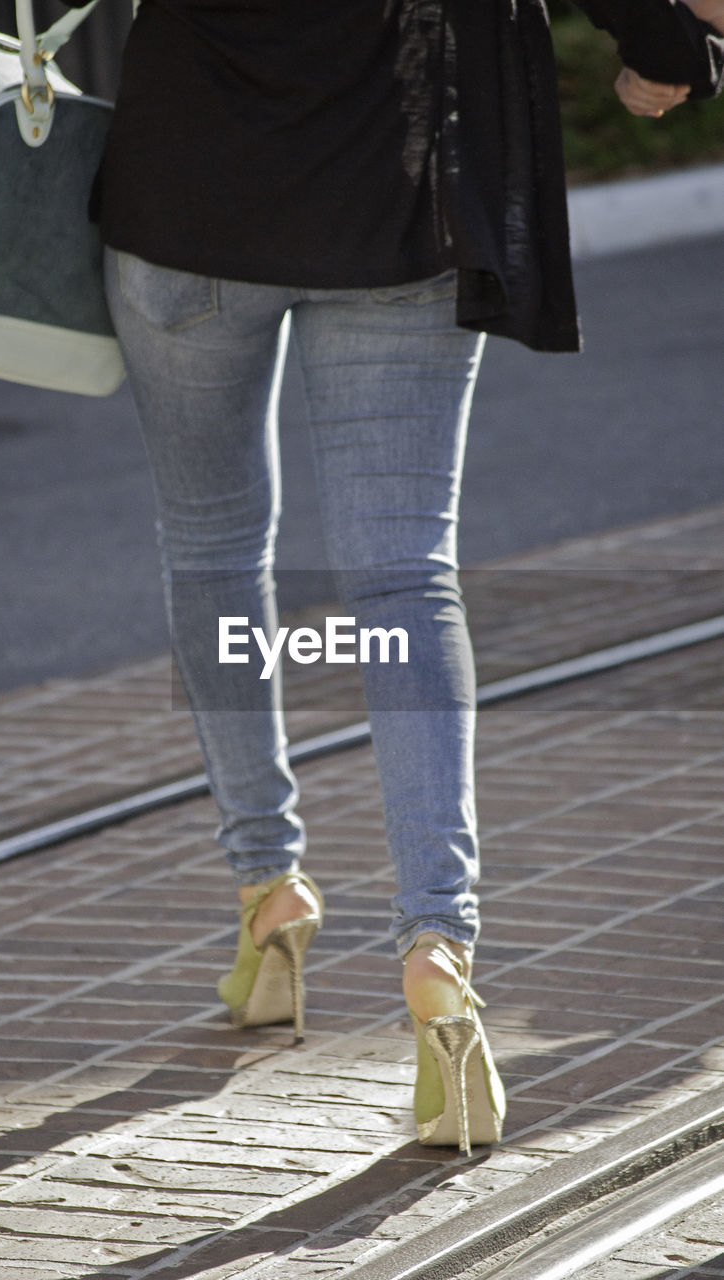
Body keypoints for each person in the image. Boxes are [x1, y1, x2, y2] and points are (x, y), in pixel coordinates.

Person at [66, 0, 723, 1154]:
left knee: (215, 546)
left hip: (191, 189)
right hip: (402, 194)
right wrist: (667, 48)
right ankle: (437, 951)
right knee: (402, 578)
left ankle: (268, 886)